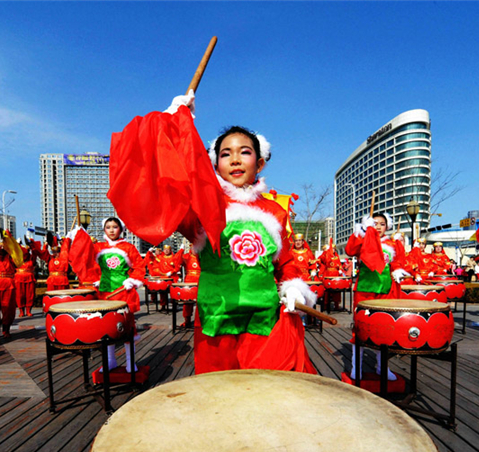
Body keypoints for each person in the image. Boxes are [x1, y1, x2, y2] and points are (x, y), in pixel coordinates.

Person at [107, 95, 317, 374]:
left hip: (265, 318)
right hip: (215, 318)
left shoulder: (275, 212)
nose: (235, 160)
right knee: (219, 396)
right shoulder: (202, 205)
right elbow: (162, 180)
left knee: (267, 394)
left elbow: (286, 263)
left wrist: (293, 288)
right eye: (225, 153)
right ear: (214, 163)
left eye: (244, 151)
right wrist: (171, 125)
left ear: (260, 162)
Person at [69, 216, 145, 374]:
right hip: (104, 293)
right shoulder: (98, 247)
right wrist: (79, 237)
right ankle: (111, 361)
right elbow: (87, 260)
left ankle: (131, 362)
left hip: (123, 291)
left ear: (121, 229)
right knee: (106, 327)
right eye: (108, 227)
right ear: (104, 229)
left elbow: (139, 266)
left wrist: (132, 280)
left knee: (126, 326)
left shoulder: (129, 248)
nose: (111, 230)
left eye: (115, 227)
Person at [345, 211, 411, 381]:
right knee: (360, 328)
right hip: (365, 291)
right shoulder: (364, 239)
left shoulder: (392, 243)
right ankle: (356, 367)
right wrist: (361, 230)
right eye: (375, 223)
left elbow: (397, 262)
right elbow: (349, 250)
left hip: (386, 292)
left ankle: (383, 367)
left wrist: (398, 271)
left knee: (384, 329)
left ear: (387, 226)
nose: (378, 227)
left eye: (382, 224)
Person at [15, 229, 41, 317]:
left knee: (30, 294)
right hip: (19, 278)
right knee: (19, 295)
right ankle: (21, 311)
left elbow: (35, 253)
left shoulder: (31, 258)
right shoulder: (17, 259)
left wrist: (31, 245)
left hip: (29, 277)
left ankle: (28, 310)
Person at [180, 241, 201, 328]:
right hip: (189, 281)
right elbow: (176, 261)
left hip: (200, 281)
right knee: (187, 302)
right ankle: (187, 320)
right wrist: (181, 250)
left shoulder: (201, 257)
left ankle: (201, 321)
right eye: (192, 247)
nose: (194, 249)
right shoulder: (186, 257)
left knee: (201, 302)